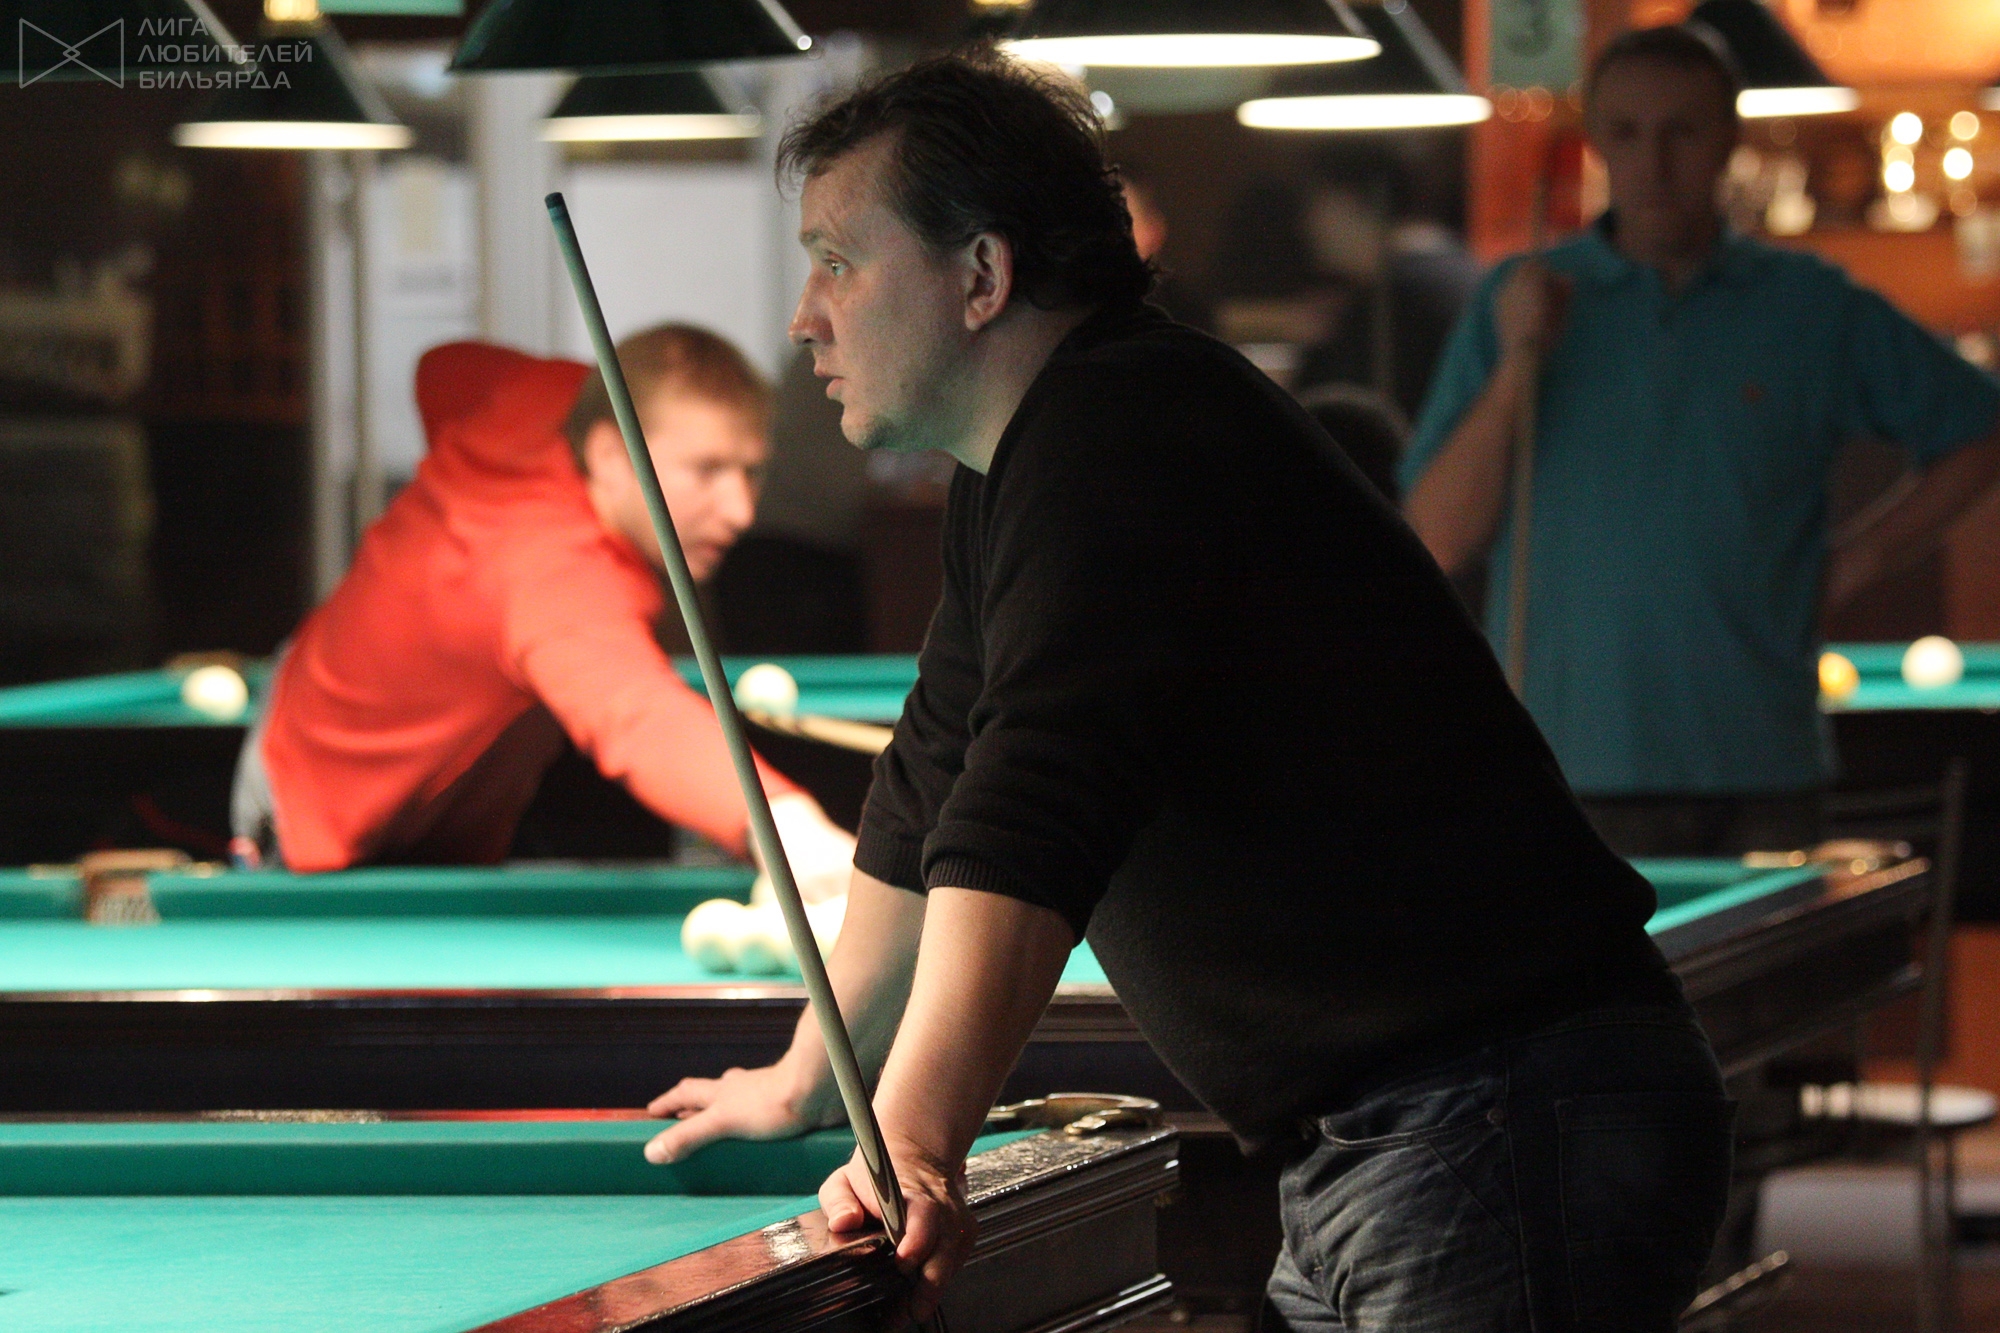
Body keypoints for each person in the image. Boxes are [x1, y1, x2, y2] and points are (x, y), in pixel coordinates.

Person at [643, 51, 1731, 1332]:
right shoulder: (1031, 457)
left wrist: (920, 1141)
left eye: (837, 261)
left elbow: (1034, 801)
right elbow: (933, 775)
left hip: (1489, 1116)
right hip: (1421, 1129)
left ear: (981, 276)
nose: (804, 317)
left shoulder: (1118, 432)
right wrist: (809, 1081)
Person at [1402, 24, 2000, 858]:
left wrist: (1859, 558)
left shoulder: (1809, 305)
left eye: (1681, 131)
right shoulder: (1523, 296)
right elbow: (1435, 537)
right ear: (1598, 141)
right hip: (1565, 767)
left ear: (1729, 139)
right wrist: (1517, 367)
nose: (1654, 162)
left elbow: (1982, 429)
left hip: (1762, 761)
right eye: (1627, 132)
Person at [232, 326, 855, 896]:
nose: (741, 512)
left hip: (432, 797)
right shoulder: (548, 570)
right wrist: (790, 829)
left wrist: (455, 502)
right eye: (707, 471)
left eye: (750, 472)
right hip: (312, 808)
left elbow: (443, 367)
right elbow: (635, 714)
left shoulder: (553, 397)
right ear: (610, 454)